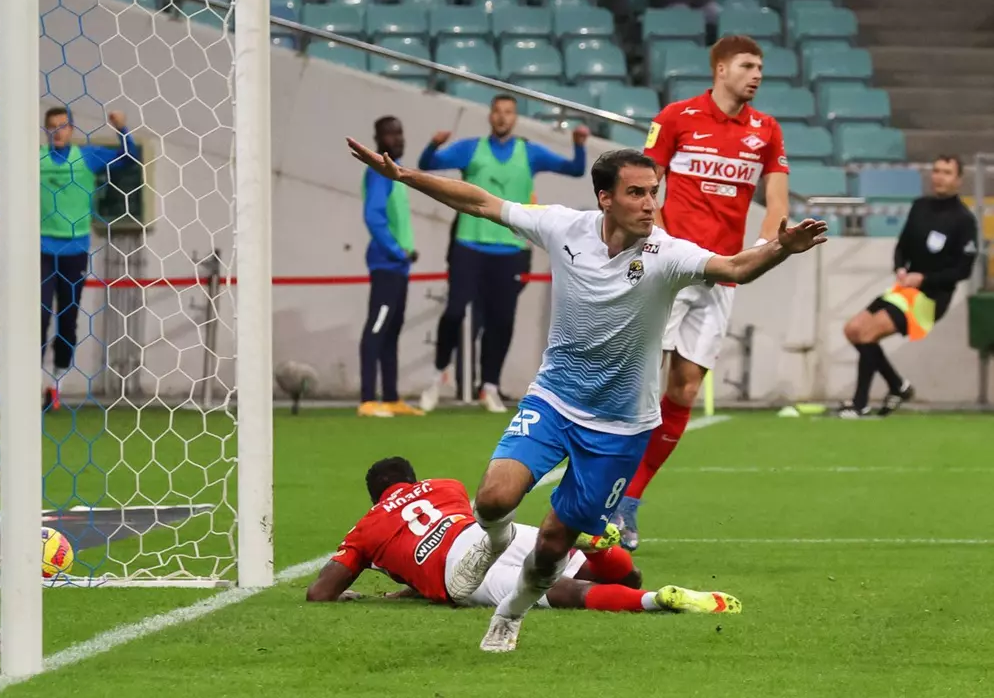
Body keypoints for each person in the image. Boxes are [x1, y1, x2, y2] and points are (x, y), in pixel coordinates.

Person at [345, 136, 825, 652]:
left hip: (622, 429)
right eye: (637, 193)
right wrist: (404, 176)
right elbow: (480, 202)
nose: (650, 204)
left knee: (554, 545)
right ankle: (495, 541)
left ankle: (510, 613)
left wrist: (781, 248)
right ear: (605, 198)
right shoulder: (563, 227)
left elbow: (734, 268)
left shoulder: (667, 253)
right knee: (492, 499)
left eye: (654, 192)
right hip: (554, 400)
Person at [613, 35, 790, 551]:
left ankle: (629, 501)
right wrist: (664, 245)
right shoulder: (676, 118)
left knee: (684, 391)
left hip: (723, 273)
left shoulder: (766, 130)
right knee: (638, 384)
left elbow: (777, 201)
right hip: (670, 268)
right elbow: (645, 190)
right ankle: (598, 490)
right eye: (747, 65)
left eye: (760, 66)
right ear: (720, 68)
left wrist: (762, 249)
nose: (757, 74)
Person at [306, 456, 741, 616]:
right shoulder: (444, 486)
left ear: (375, 498)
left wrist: (349, 588)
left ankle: (656, 601)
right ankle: (597, 549)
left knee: (560, 592)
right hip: (490, 533)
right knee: (621, 576)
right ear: (413, 479)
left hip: (460, 569)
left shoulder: (367, 528)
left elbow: (320, 593)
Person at [417, 95, 589, 414]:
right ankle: (437, 375)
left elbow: (576, 169)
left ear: (516, 117)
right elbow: (427, 165)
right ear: (490, 116)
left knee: (501, 321)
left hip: (510, 249)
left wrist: (578, 145)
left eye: (508, 112)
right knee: (454, 312)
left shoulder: (530, 152)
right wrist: (433, 144)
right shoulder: (471, 149)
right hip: (469, 244)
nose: (502, 117)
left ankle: (490, 386)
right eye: (497, 111)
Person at [0, 105, 140, 411]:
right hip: (40, 249)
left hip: (75, 251)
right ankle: (31, 383)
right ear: (45, 130)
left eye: (63, 125)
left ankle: (56, 384)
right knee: (38, 316)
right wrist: (5, 118)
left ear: (71, 129)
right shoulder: (34, 158)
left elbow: (129, 157)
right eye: (52, 126)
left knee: (68, 320)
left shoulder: (87, 157)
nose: (58, 131)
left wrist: (121, 128)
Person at [839, 155, 978, 418]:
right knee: (853, 329)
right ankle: (898, 386)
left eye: (947, 172)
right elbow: (902, 246)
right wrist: (900, 267)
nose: (939, 177)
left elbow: (963, 270)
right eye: (936, 171)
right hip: (905, 290)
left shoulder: (964, 220)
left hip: (930, 298)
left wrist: (923, 279)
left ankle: (860, 404)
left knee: (867, 333)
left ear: (959, 180)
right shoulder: (920, 206)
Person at [358, 116, 424, 418]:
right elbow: (373, 217)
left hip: (398, 267)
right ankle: (367, 399)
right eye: (390, 134)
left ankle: (391, 397)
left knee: (392, 331)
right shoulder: (379, 171)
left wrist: (406, 253)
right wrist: (397, 251)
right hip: (386, 264)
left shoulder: (394, 172)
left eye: (400, 133)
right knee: (377, 327)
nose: (397, 139)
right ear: (377, 138)